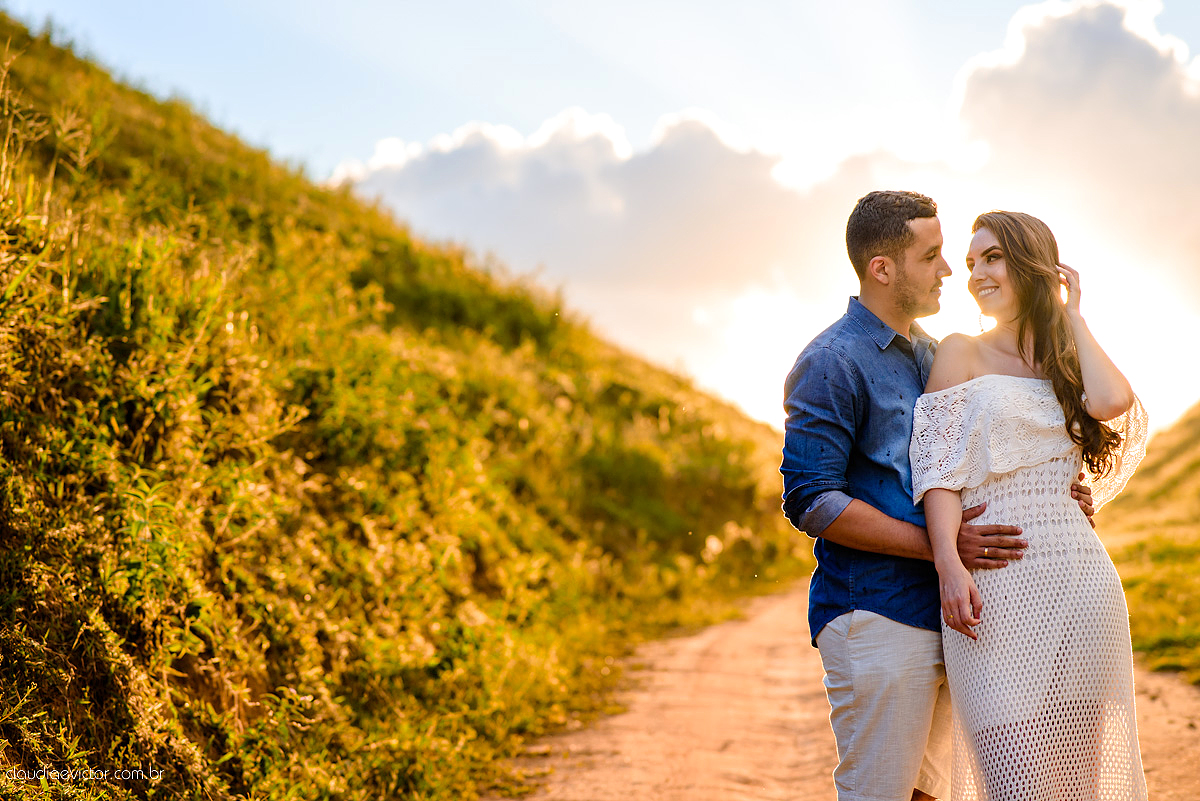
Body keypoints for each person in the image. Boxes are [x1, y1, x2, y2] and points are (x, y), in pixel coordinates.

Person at [780, 191, 1096, 801]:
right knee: (883, 793)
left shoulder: (938, 353)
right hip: (874, 611)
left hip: (955, 615)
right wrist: (940, 546)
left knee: (934, 796)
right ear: (882, 269)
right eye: (932, 257)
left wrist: (1057, 493)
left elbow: (968, 461)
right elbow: (812, 501)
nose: (951, 270)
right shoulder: (831, 361)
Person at [911, 210, 1148, 799]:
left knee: (1078, 785)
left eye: (992, 257)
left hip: (1080, 584)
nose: (976, 274)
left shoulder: (1067, 359)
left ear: (1031, 264)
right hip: (996, 589)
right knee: (1012, 782)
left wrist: (1072, 314)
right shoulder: (959, 352)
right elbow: (939, 474)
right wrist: (949, 564)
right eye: (970, 263)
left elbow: (1114, 401)